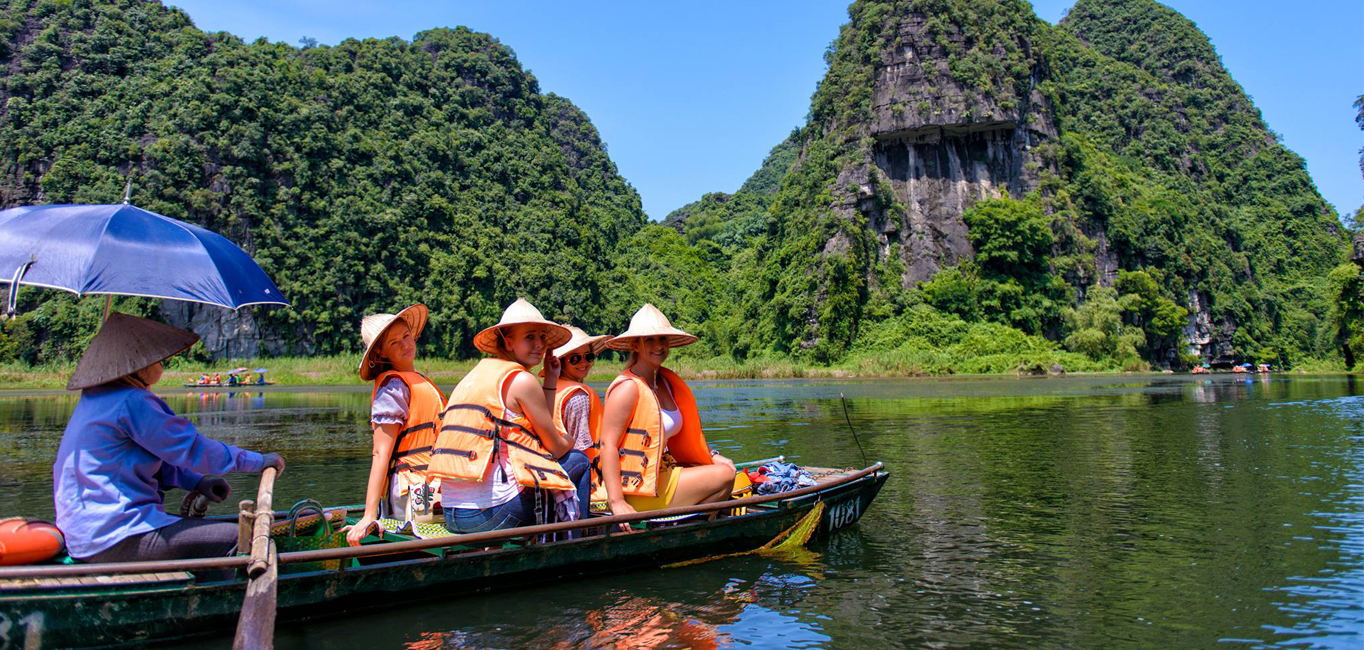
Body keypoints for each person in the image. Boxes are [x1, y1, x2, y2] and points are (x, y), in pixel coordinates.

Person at [52, 313, 285, 563]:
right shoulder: (132, 401)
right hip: (115, 536)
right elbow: (191, 449)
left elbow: (157, 462)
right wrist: (259, 462)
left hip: (84, 536)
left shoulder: (93, 400)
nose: (161, 364)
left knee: (205, 532)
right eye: (157, 360)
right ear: (138, 365)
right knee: (238, 538)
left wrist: (198, 482)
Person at [427, 298, 592, 533]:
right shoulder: (522, 380)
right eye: (530, 337)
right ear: (508, 341)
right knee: (580, 460)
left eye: (542, 337)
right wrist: (569, 440)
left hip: (453, 514)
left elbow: (533, 432)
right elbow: (554, 448)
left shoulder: (474, 376)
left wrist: (551, 380)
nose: (539, 344)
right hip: (491, 514)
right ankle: (577, 545)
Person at [599, 304, 735, 516]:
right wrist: (617, 501)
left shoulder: (664, 381)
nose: (658, 346)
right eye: (650, 340)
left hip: (665, 471)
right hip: (639, 488)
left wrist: (712, 455)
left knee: (726, 468)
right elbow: (607, 444)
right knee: (725, 476)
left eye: (662, 339)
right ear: (635, 345)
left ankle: (687, 526)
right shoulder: (627, 387)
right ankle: (691, 529)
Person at [343, 304, 447, 546]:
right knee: (420, 543)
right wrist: (369, 515)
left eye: (406, 336)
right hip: (410, 489)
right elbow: (381, 452)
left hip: (432, 483)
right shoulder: (393, 387)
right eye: (394, 343)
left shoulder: (420, 380)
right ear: (380, 353)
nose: (405, 345)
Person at [547, 326, 613, 503]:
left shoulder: (550, 389)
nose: (584, 363)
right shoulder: (579, 396)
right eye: (575, 359)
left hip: (554, 473)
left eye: (588, 357)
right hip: (586, 487)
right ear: (561, 361)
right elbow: (580, 451)